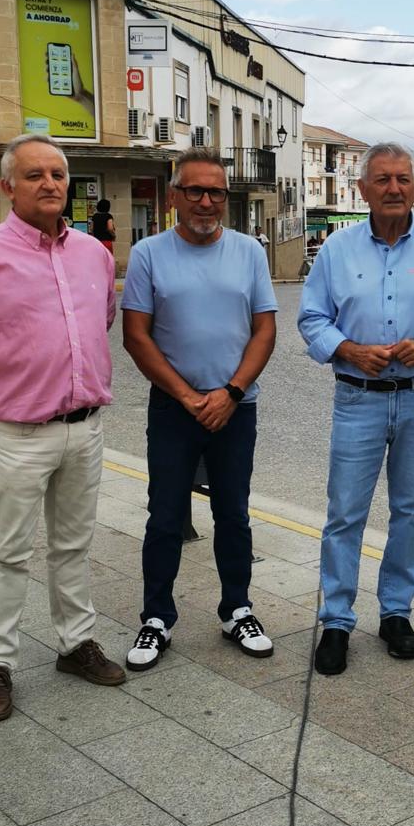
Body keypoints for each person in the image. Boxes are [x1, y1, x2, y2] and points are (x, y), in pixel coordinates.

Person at [0, 133, 124, 722]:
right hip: (18, 434)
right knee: (10, 553)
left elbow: (100, 319)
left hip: (84, 428)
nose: (49, 184)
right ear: (8, 186)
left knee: (73, 546)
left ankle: (74, 644)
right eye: (34, 174)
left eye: (58, 174)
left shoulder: (94, 253)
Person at [298, 142, 414, 675]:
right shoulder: (335, 250)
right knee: (345, 513)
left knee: (410, 510)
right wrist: (348, 349)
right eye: (382, 180)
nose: (393, 188)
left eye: (403, 179)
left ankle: (396, 612)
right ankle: (336, 621)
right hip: (358, 399)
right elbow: (311, 320)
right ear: (362, 189)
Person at [121, 148, 278, 671]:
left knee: (233, 512)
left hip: (236, 407)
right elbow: (136, 337)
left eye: (216, 193)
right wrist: (189, 398)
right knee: (165, 514)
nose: (207, 202)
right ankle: (156, 618)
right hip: (173, 409)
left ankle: (237, 609)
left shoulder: (249, 252)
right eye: (196, 191)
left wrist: (230, 393)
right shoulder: (148, 254)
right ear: (174, 197)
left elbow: (264, 330)